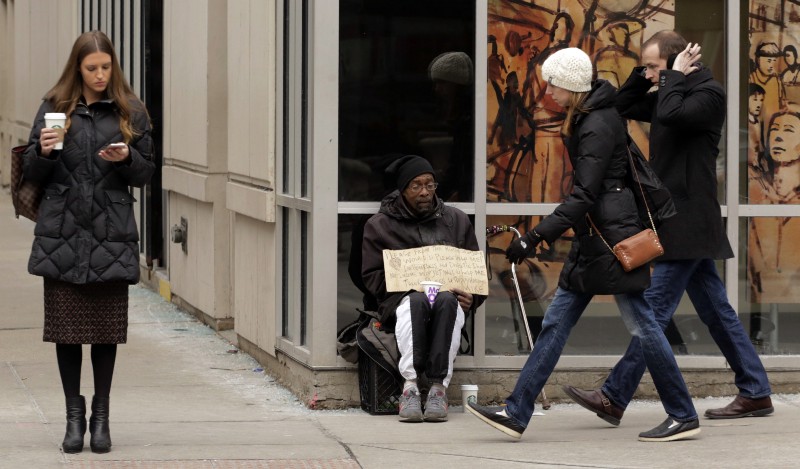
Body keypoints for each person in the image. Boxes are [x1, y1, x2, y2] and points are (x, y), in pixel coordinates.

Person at [466, 48, 701, 442]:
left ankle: (682, 413)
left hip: (610, 240)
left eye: (553, 84)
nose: (548, 92)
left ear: (571, 86)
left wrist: (535, 236)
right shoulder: (596, 116)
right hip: (599, 237)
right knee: (558, 324)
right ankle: (516, 410)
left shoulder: (595, 124)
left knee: (644, 326)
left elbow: (584, 195)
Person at [563, 31, 773, 426]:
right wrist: (647, 75)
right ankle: (756, 391)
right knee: (716, 311)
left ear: (679, 63)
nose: (650, 73)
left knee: (653, 312)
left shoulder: (708, 94)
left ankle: (613, 395)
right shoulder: (666, 89)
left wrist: (671, 77)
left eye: (654, 65)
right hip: (674, 220)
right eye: (647, 66)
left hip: (689, 221)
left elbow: (674, 114)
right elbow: (621, 104)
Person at [21, 31, 155, 453]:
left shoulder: (131, 111)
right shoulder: (55, 107)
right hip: (62, 231)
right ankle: (73, 419)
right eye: (91, 68)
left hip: (110, 232)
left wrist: (128, 158)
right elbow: (30, 172)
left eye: (106, 66)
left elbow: (147, 173)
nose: (100, 75)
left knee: (104, 332)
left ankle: (101, 419)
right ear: (77, 69)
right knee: (66, 331)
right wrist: (43, 152)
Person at [361, 155, 486, 422]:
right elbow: (371, 276)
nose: (424, 192)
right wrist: (403, 284)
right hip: (401, 302)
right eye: (416, 185)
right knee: (417, 301)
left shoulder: (457, 220)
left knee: (447, 301)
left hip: (446, 302)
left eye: (430, 185)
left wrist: (472, 298)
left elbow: (474, 272)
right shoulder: (380, 226)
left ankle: (439, 388)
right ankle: (411, 387)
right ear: (402, 189)